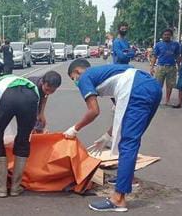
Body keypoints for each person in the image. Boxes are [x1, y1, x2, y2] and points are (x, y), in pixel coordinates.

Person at [63, 58, 161, 212]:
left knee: (128, 143)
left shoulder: (85, 77)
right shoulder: (105, 74)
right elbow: (120, 113)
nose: (76, 82)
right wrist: (107, 136)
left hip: (136, 89)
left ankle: (118, 199)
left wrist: (74, 129)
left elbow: (93, 111)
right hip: (152, 86)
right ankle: (127, 178)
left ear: (77, 72)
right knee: (131, 139)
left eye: (73, 78)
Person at [0, 75, 39, 197]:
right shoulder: (30, 85)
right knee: (23, 138)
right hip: (30, 98)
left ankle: (0, 187)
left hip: (6, 97)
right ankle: (16, 187)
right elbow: (38, 99)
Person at [150, 29, 180, 105]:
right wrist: (152, 67)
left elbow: (177, 56)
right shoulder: (158, 45)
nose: (167, 36)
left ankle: (167, 100)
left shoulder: (175, 44)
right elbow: (154, 56)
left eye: (168, 34)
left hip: (171, 67)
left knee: (170, 85)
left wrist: (179, 66)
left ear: (171, 36)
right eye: (165, 34)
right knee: (158, 85)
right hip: (160, 67)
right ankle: (157, 100)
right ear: (162, 36)